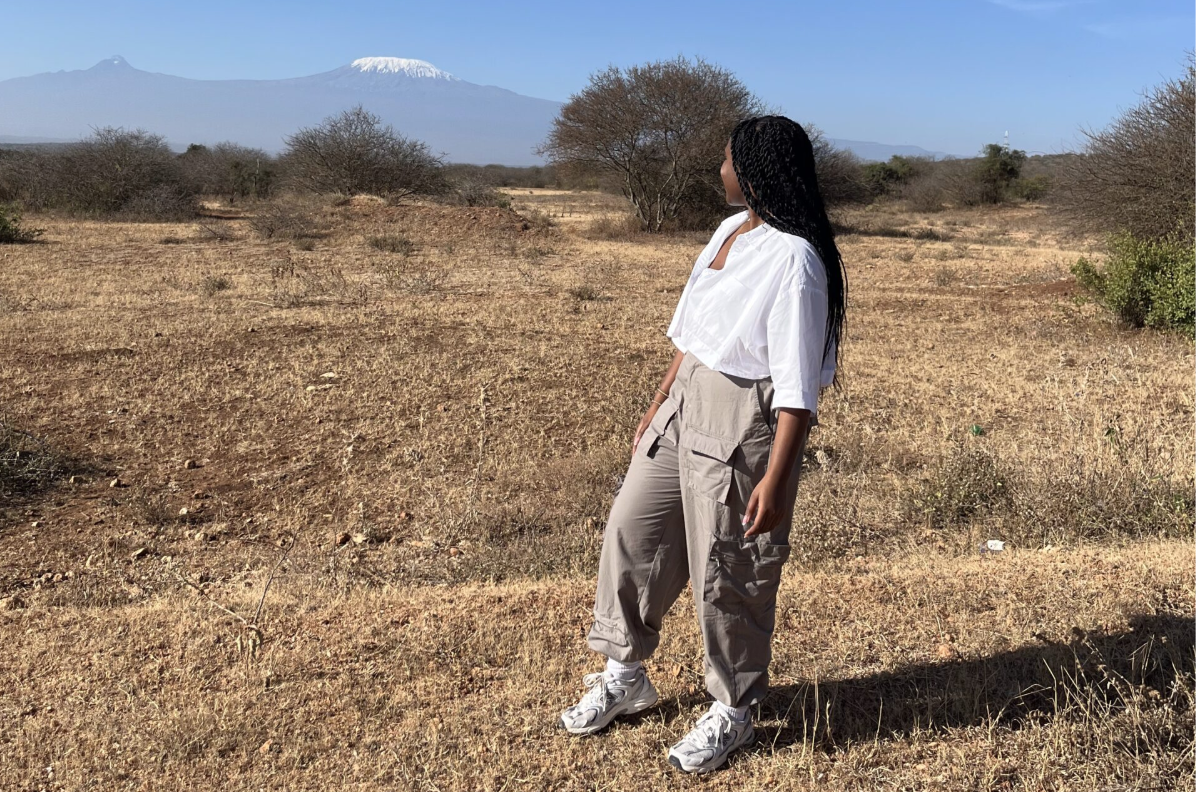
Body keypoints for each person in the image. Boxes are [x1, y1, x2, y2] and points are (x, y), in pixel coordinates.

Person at [557, 115, 848, 775]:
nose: (718, 170)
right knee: (633, 535)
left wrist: (777, 478)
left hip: (743, 413)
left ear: (754, 170)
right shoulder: (731, 229)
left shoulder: (796, 258)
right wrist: (660, 401)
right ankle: (625, 673)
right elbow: (691, 333)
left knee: (728, 570)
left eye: (726, 160)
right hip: (688, 398)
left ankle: (733, 708)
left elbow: (799, 387)